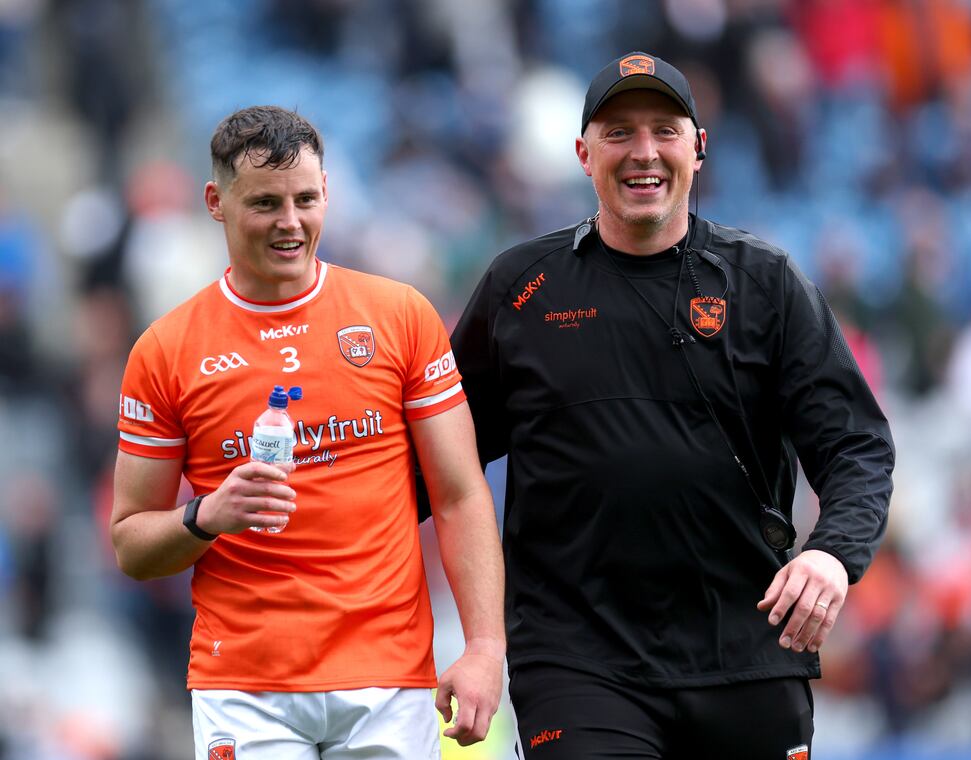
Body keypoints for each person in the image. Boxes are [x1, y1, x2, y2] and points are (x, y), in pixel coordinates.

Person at [450, 53, 895, 758]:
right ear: (583, 153)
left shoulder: (765, 283)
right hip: (579, 661)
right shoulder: (521, 290)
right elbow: (437, 462)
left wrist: (834, 556)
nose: (644, 152)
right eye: (620, 132)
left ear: (699, 146)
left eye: (665, 129)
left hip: (748, 651)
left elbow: (856, 446)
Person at [111, 105, 505, 760]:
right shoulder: (166, 351)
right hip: (245, 685)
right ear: (216, 201)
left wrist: (485, 646)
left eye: (306, 200)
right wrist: (207, 516)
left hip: (389, 677)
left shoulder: (400, 317)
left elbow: (461, 494)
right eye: (266, 203)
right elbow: (130, 543)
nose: (291, 223)